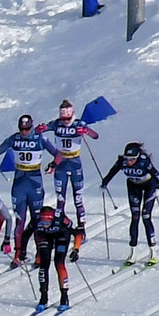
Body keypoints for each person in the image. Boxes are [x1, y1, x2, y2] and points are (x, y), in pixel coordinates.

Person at [0, 113, 60, 253]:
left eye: (27, 129)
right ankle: (18, 252)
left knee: (37, 220)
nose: (24, 132)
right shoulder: (15, 138)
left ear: (31, 127)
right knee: (20, 220)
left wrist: (53, 164)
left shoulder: (40, 138)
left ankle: (40, 253)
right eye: (22, 129)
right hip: (19, 182)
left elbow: (58, 154)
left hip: (35, 182)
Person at [36, 99, 98, 232]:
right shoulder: (56, 124)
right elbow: (39, 130)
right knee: (60, 200)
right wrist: (40, 128)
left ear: (72, 115)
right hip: (61, 164)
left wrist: (86, 131)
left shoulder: (79, 124)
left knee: (78, 200)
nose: (65, 121)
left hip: (75, 162)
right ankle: (60, 226)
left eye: (67, 118)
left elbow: (95, 136)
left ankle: (81, 229)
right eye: (63, 118)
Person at [100, 143, 159, 265]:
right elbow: (112, 171)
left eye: (132, 159)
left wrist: (158, 190)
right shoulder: (122, 161)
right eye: (127, 159)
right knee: (135, 218)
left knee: (146, 217)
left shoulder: (144, 162)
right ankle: (133, 253)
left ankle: (153, 251)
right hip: (133, 186)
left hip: (148, 186)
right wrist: (105, 183)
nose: (129, 162)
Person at [22, 203, 80, 311]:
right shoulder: (36, 219)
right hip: (44, 236)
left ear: (52, 219)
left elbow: (77, 233)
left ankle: (64, 297)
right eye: (43, 222)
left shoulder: (60, 218)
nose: (45, 224)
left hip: (62, 235)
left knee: (59, 263)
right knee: (44, 263)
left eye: (47, 222)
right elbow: (26, 234)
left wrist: (76, 249)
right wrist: (22, 251)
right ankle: (43, 297)